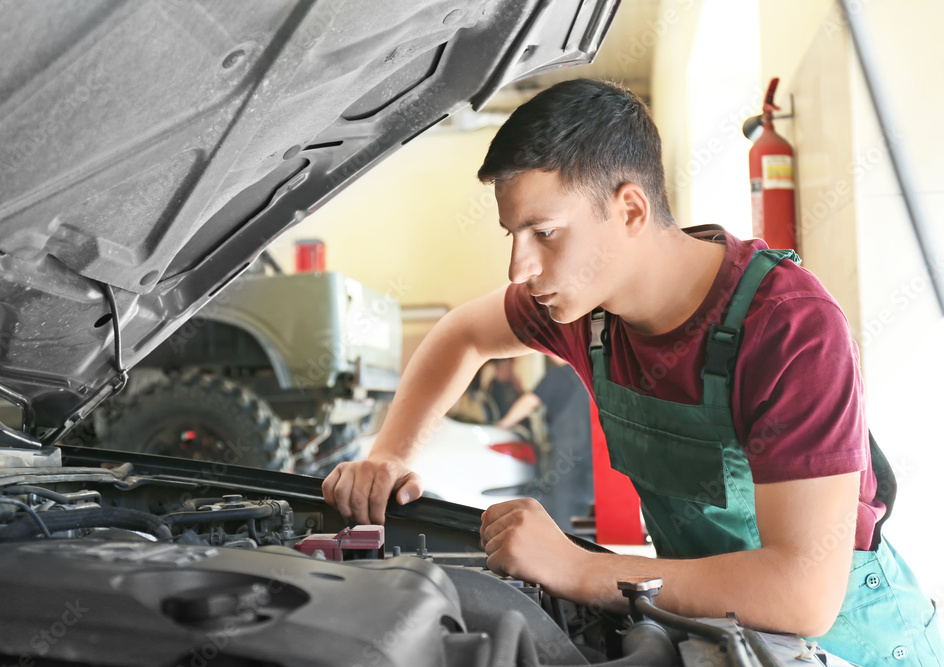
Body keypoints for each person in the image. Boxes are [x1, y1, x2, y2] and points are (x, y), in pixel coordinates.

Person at [322, 79, 943, 665]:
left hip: (847, 642)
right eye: (514, 234)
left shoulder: (788, 327)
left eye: (544, 232)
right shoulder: (585, 312)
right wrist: (390, 454)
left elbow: (804, 594)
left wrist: (579, 569)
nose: (519, 266)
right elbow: (461, 334)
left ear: (629, 209)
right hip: (712, 627)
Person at [496, 356, 592, 533]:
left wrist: (501, 426)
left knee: (562, 503)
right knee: (582, 503)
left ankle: (563, 546)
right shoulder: (587, 373)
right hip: (590, 450)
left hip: (566, 450)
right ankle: (581, 544)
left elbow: (528, 403)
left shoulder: (557, 376)